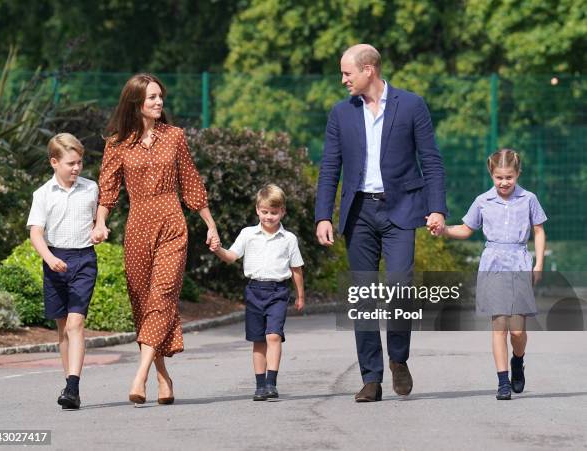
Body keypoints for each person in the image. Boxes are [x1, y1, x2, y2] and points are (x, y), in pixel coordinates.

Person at [315, 44, 447, 402]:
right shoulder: (341, 113)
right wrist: (323, 215)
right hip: (359, 214)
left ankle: (398, 359)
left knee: (400, 287)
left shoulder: (411, 105)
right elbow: (330, 167)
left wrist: (437, 208)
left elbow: (431, 160)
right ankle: (371, 377)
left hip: (402, 209)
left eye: (347, 73)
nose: (343, 80)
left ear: (368, 70)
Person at [90, 73, 220, 406]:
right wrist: (100, 223)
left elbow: (191, 183)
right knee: (144, 303)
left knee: (162, 296)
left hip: (172, 222)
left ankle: (140, 376)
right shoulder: (117, 143)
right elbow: (108, 190)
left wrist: (210, 224)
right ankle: (164, 377)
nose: (159, 102)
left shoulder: (174, 136)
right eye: (151, 98)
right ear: (136, 102)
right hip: (137, 227)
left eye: (160, 96)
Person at [440, 148, 546, 400]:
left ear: (518, 174)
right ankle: (502, 382)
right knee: (499, 326)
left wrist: (538, 263)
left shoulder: (529, 199)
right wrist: (443, 229)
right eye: (499, 177)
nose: (504, 182)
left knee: (517, 331)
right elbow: (466, 229)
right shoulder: (482, 201)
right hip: (493, 264)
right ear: (491, 174)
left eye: (509, 177)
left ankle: (518, 361)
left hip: (519, 262)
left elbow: (539, 231)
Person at [210, 184, 305, 400]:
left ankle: (272, 383)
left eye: (274, 212)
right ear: (257, 210)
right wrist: (217, 250)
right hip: (254, 290)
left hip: (278, 291)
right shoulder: (248, 234)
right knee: (258, 340)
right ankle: (260, 385)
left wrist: (300, 296)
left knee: (273, 336)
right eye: (265, 212)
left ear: (282, 212)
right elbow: (231, 256)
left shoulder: (288, 239)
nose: (269, 217)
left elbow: (296, 269)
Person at [27, 133, 99, 410]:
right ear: (54, 162)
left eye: (80, 162)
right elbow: (36, 233)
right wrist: (49, 257)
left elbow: (98, 219)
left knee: (75, 323)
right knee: (62, 330)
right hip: (55, 260)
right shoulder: (43, 194)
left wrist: (99, 228)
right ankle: (70, 384)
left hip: (83, 260)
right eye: (71, 163)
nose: (76, 168)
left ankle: (72, 386)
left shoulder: (91, 189)